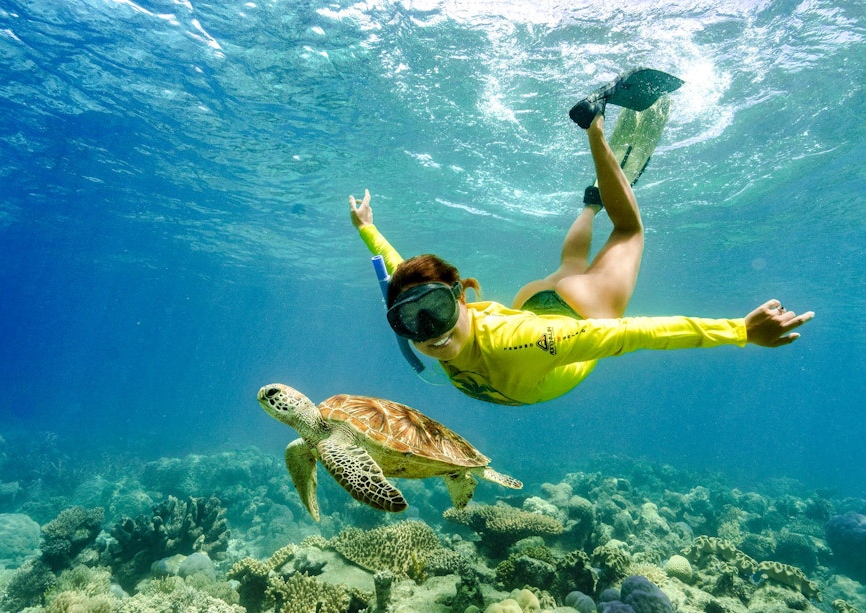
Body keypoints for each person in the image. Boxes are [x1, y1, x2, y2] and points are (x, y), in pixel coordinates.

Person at [348, 93, 814, 406]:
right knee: (572, 264)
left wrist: (739, 331)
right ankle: (591, 204)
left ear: (460, 297)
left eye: (433, 309)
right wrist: (368, 229)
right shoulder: (431, 314)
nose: (428, 333)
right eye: (409, 320)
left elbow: (637, 334)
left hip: (575, 314)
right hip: (534, 303)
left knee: (629, 230)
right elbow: (397, 271)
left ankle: (595, 130)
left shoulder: (525, 345)